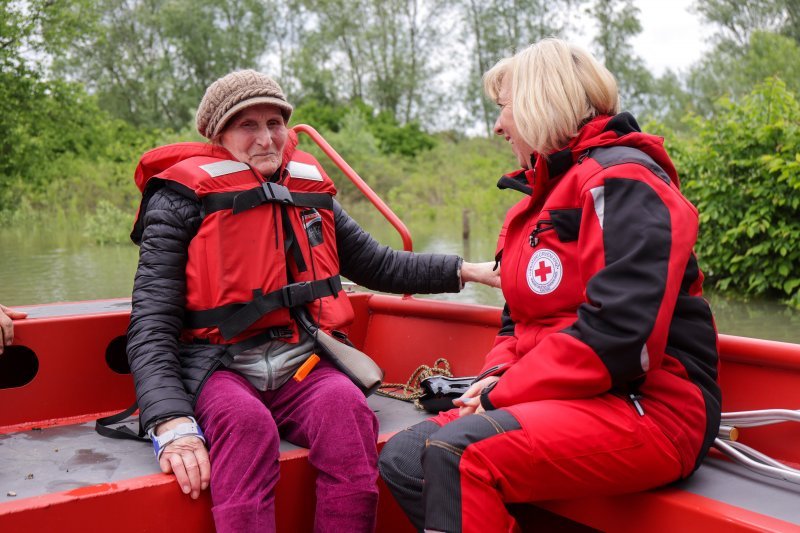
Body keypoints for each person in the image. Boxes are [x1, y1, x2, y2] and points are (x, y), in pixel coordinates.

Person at [126, 69, 498, 533]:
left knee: (347, 413)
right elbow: (151, 323)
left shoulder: (307, 188)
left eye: (275, 123)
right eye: (248, 125)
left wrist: (466, 270)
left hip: (299, 361)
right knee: (246, 428)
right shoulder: (178, 199)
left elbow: (376, 264)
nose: (266, 138)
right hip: (216, 366)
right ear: (218, 135)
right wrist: (170, 421)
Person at [378, 38, 721, 532]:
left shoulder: (623, 180)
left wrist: (503, 393)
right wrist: (490, 379)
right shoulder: (531, 208)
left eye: (504, 108)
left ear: (542, 100)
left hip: (650, 406)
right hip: (567, 397)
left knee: (456, 454)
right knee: (406, 457)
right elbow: (515, 321)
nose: (497, 125)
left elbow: (621, 335)